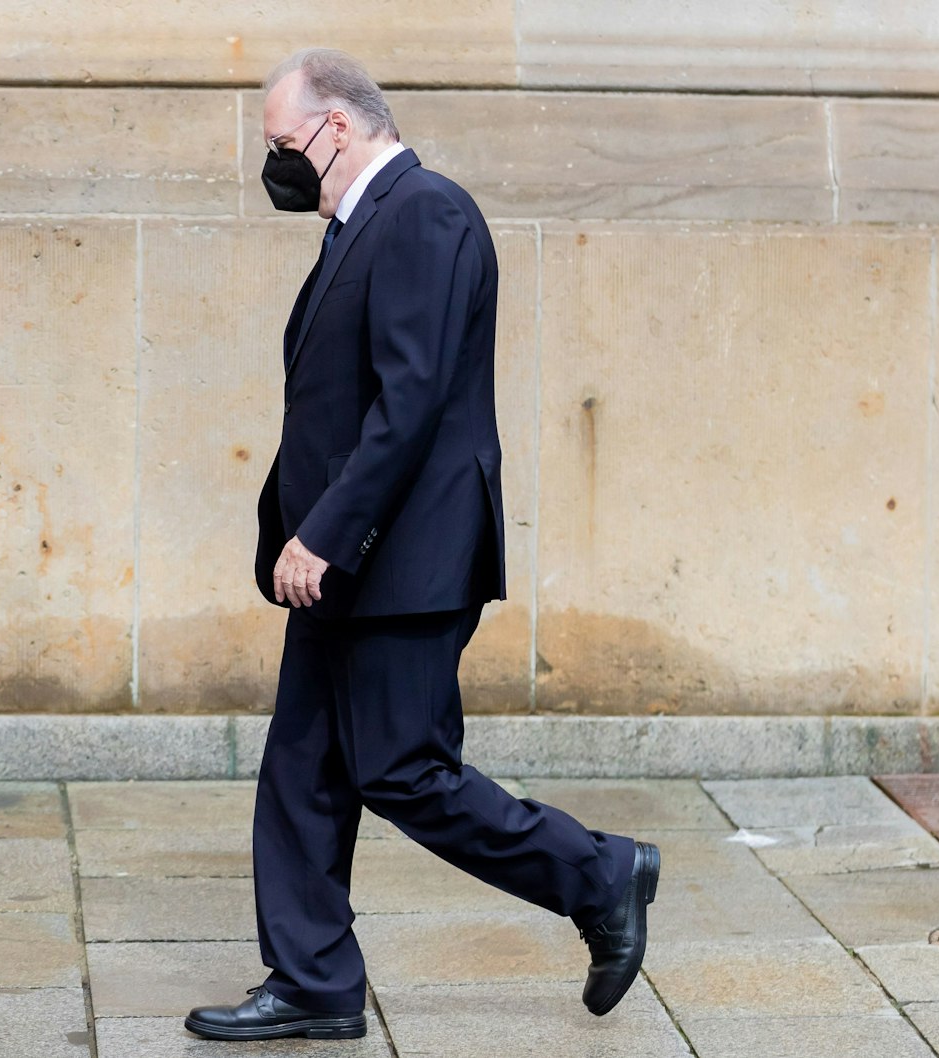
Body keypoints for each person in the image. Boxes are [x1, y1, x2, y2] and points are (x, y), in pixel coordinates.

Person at [183, 48, 662, 1042]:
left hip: (397, 560)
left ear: (340, 127)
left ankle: (600, 873)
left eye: (281, 145)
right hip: (347, 563)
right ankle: (311, 979)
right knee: (303, 765)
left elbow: (407, 406)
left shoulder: (425, 213)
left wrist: (320, 533)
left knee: (403, 768)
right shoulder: (364, 226)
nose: (274, 166)